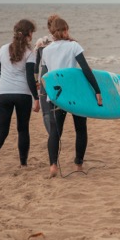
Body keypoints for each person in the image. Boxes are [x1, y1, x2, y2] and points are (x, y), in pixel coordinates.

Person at [41, 17, 103, 178]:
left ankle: (53, 165)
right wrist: (97, 91)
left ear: (52, 32)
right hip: (75, 95)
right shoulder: (74, 46)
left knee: (55, 132)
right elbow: (86, 69)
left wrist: (45, 95)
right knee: (80, 129)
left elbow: (45, 76)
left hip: (56, 96)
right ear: (65, 30)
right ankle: (78, 164)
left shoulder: (46, 51)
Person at [0, 19, 40, 177]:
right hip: (22, 94)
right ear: (29, 34)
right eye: (32, 32)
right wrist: (36, 98)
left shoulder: (3, 49)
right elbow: (30, 78)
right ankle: (23, 164)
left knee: (1, 130)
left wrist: (3, 89)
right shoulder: (29, 53)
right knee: (23, 129)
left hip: (3, 93)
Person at [34, 13, 60, 134]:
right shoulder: (63, 41)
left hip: (45, 75)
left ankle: (52, 136)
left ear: (48, 27)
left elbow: (36, 65)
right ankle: (57, 135)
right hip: (58, 75)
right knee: (59, 109)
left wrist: (35, 81)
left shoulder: (41, 42)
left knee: (46, 111)